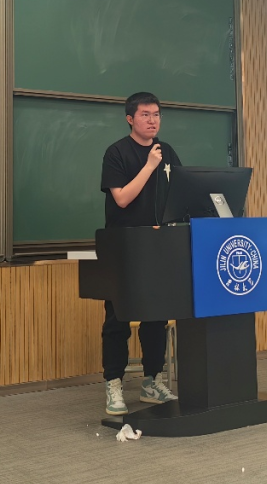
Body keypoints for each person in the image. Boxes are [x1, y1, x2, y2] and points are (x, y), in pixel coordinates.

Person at [99, 91, 181, 416]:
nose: (152, 120)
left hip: (158, 246)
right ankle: (113, 383)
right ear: (130, 119)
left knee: (155, 316)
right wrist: (149, 166)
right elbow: (121, 199)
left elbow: (180, 193)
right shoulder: (116, 153)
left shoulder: (168, 151)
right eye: (145, 115)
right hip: (123, 247)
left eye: (156, 114)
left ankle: (152, 380)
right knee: (117, 318)